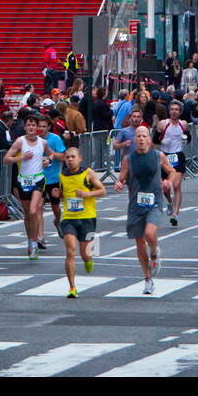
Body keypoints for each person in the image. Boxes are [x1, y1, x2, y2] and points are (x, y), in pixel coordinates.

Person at [114, 126, 176, 294]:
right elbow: (122, 178)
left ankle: (155, 252)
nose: (141, 139)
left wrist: (168, 182)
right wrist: (119, 183)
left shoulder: (158, 156)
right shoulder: (129, 159)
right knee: (140, 242)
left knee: (149, 234)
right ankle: (148, 279)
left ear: (149, 139)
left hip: (154, 201)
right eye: (138, 136)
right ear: (135, 140)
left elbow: (172, 171)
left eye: (144, 136)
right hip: (135, 204)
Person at [3, 113, 61, 260]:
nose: (31, 127)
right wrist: (22, 157)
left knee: (34, 211)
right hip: (23, 181)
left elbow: (51, 155)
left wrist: (48, 160)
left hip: (38, 180)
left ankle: (35, 243)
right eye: (28, 125)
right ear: (25, 127)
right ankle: (30, 240)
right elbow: (6, 159)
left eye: (33, 125)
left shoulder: (43, 143)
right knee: (27, 214)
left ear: (36, 128)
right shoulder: (20, 142)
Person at [59, 145, 106, 298]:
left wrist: (86, 194)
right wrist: (56, 194)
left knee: (85, 254)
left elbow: (102, 191)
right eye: (67, 157)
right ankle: (72, 287)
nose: (70, 160)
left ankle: (88, 259)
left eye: (73, 157)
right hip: (69, 219)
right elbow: (62, 195)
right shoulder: (62, 176)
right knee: (70, 250)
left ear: (80, 158)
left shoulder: (88, 173)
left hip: (87, 218)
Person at [155, 99, 190, 225]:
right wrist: (162, 141)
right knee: (166, 188)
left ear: (180, 112)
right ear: (169, 111)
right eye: (172, 109)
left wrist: (185, 140)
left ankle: (175, 214)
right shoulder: (163, 124)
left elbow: (188, 137)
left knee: (176, 185)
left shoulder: (183, 124)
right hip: (165, 157)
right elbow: (155, 139)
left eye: (176, 110)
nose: (174, 112)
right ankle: (170, 201)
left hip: (178, 157)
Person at [39, 112, 67, 246]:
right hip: (38, 178)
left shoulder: (55, 139)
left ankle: (57, 221)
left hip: (53, 178)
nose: (41, 129)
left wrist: (51, 154)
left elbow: (64, 156)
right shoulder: (34, 139)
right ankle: (40, 236)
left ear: (49, 127)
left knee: (55, 207)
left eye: (44, 126)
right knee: (39, 207)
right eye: (40, 126)